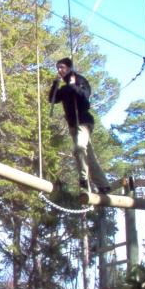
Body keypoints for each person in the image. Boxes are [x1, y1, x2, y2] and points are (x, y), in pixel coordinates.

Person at [48, 57, 110, 193]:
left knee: (80, 148)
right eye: (58, 68)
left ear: (69, 68)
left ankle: (83, 180)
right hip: (73, 125)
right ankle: (103, 184)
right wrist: (55, 84)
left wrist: (72, 85)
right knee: (89, 155)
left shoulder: (80, 80)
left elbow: (85, 97)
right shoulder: (64, 88)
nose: (59, 70)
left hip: (83, 122)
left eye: (62, 67)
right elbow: (52, 99)